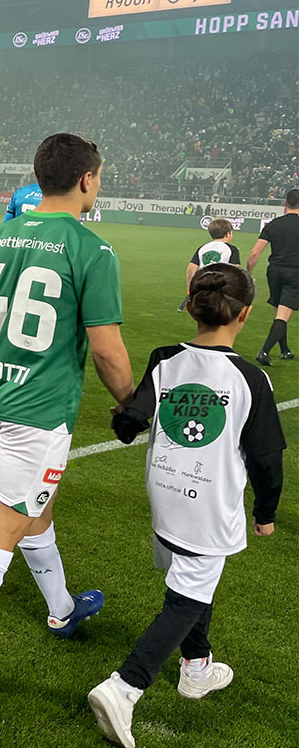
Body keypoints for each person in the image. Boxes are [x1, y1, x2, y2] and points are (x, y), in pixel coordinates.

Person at [0, 133, 135, 676]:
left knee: (38, 507)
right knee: (7, 522)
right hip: (39, 412)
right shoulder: (92, 250)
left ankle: (62, 608)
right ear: (87, 179)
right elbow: (107, 351)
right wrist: (132, 403)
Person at [88, 264, 285, 748]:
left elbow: (130, 420)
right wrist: (265, 514)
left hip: (165, 496)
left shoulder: (165, 358)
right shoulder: (251, 379)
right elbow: (266, 460)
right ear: (244, 314)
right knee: (187, 598)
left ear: (192, 307)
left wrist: (126, 421)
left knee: (196, 578)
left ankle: (196, 667)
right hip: (208, 507)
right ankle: (125, 687)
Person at [246, 188, 298, 364]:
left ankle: (284, 350)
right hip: (295, 272)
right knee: (283, 314)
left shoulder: (273, 224)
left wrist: (248, 274)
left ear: (286, 203)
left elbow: (255, 253)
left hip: (274, 271)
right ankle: (264, 351)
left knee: (278, 311)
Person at [181, 218, 240, 311]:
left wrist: (190, 289)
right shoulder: (232, 249)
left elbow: (190, 268)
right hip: (221, 288)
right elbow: (236, 270)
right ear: (228, 234)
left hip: (203, 286)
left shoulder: (203, 248)